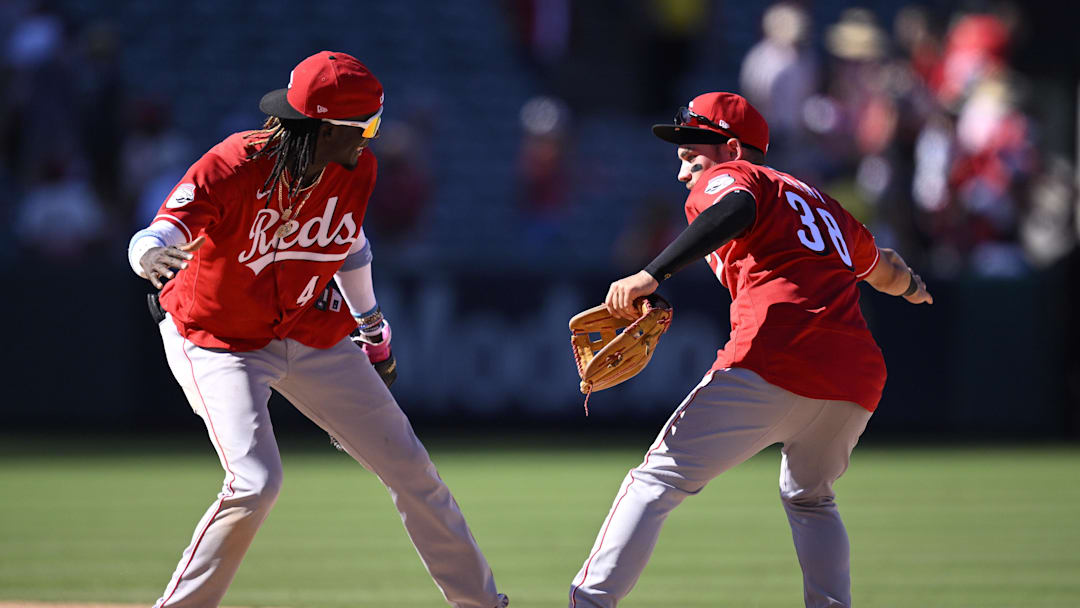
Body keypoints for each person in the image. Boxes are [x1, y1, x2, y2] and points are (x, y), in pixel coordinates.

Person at [126, 51, 508, 608]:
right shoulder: (234, 163)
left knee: (412, 470)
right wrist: (148, 254)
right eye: (367, 126)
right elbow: (160, 231)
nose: (371, 139)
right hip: (215, 339)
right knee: (256, 483)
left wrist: (371, 324)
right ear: (327, 126)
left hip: (310, 331)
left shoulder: (358, 169)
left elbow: (349, 245)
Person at [567, 92, 933, 608]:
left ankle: (589, 602)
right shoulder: (820, 201)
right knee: (811, 498)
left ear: (733, 148)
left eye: (692, 157)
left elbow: (736, 205)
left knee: (655, 480)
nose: (682, 174)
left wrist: (651, 274)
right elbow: (884, 268)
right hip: (854, 380)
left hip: (775, 354)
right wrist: (914, 286)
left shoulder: (738, 178)